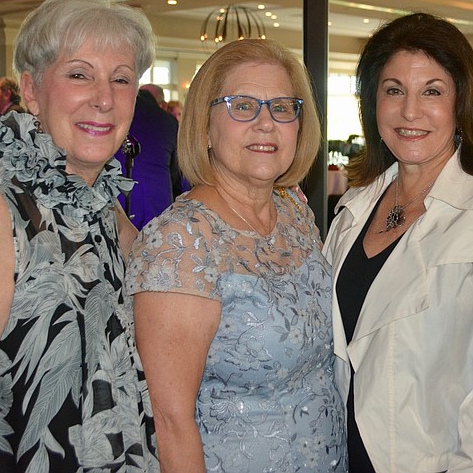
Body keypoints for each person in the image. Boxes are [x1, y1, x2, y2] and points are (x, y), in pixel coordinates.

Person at [0, 0, 159, 471]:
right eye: (79, 75)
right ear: (30, 90)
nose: (103, 99)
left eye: (121, 80)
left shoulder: (98, 203)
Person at [323, 12, 473, 472]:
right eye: (394, 90)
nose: (410, 111)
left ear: (461, 103)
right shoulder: (353, 209)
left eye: (432, 91)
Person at [126, 38, 347, 472]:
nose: (266, 123)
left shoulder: (295, 214)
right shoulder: (181, 243)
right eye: (242, 105)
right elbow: (170, 424)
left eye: (282, 107)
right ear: (205, 127)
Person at [115, 87, 185, 229]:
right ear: (163, 104)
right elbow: (178, 177)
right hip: (158, 217)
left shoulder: (115, 114)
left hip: (116, 212)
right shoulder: (167, 121)